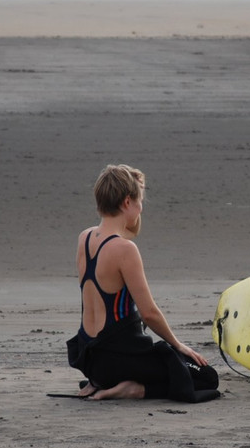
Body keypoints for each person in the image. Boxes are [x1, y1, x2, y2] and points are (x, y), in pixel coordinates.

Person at [66, 164, 220, 402]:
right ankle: (134, 390)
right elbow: (149, 314)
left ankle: (102, 383)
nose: (142, 208)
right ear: (127, 202)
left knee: (172, 366)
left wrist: (131, 195)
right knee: (206, 377)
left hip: (90, 360)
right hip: (118, 359)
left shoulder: (84, 238)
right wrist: (179, 345)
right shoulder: (125, 250)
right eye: (140, 201)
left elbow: (125, 231)